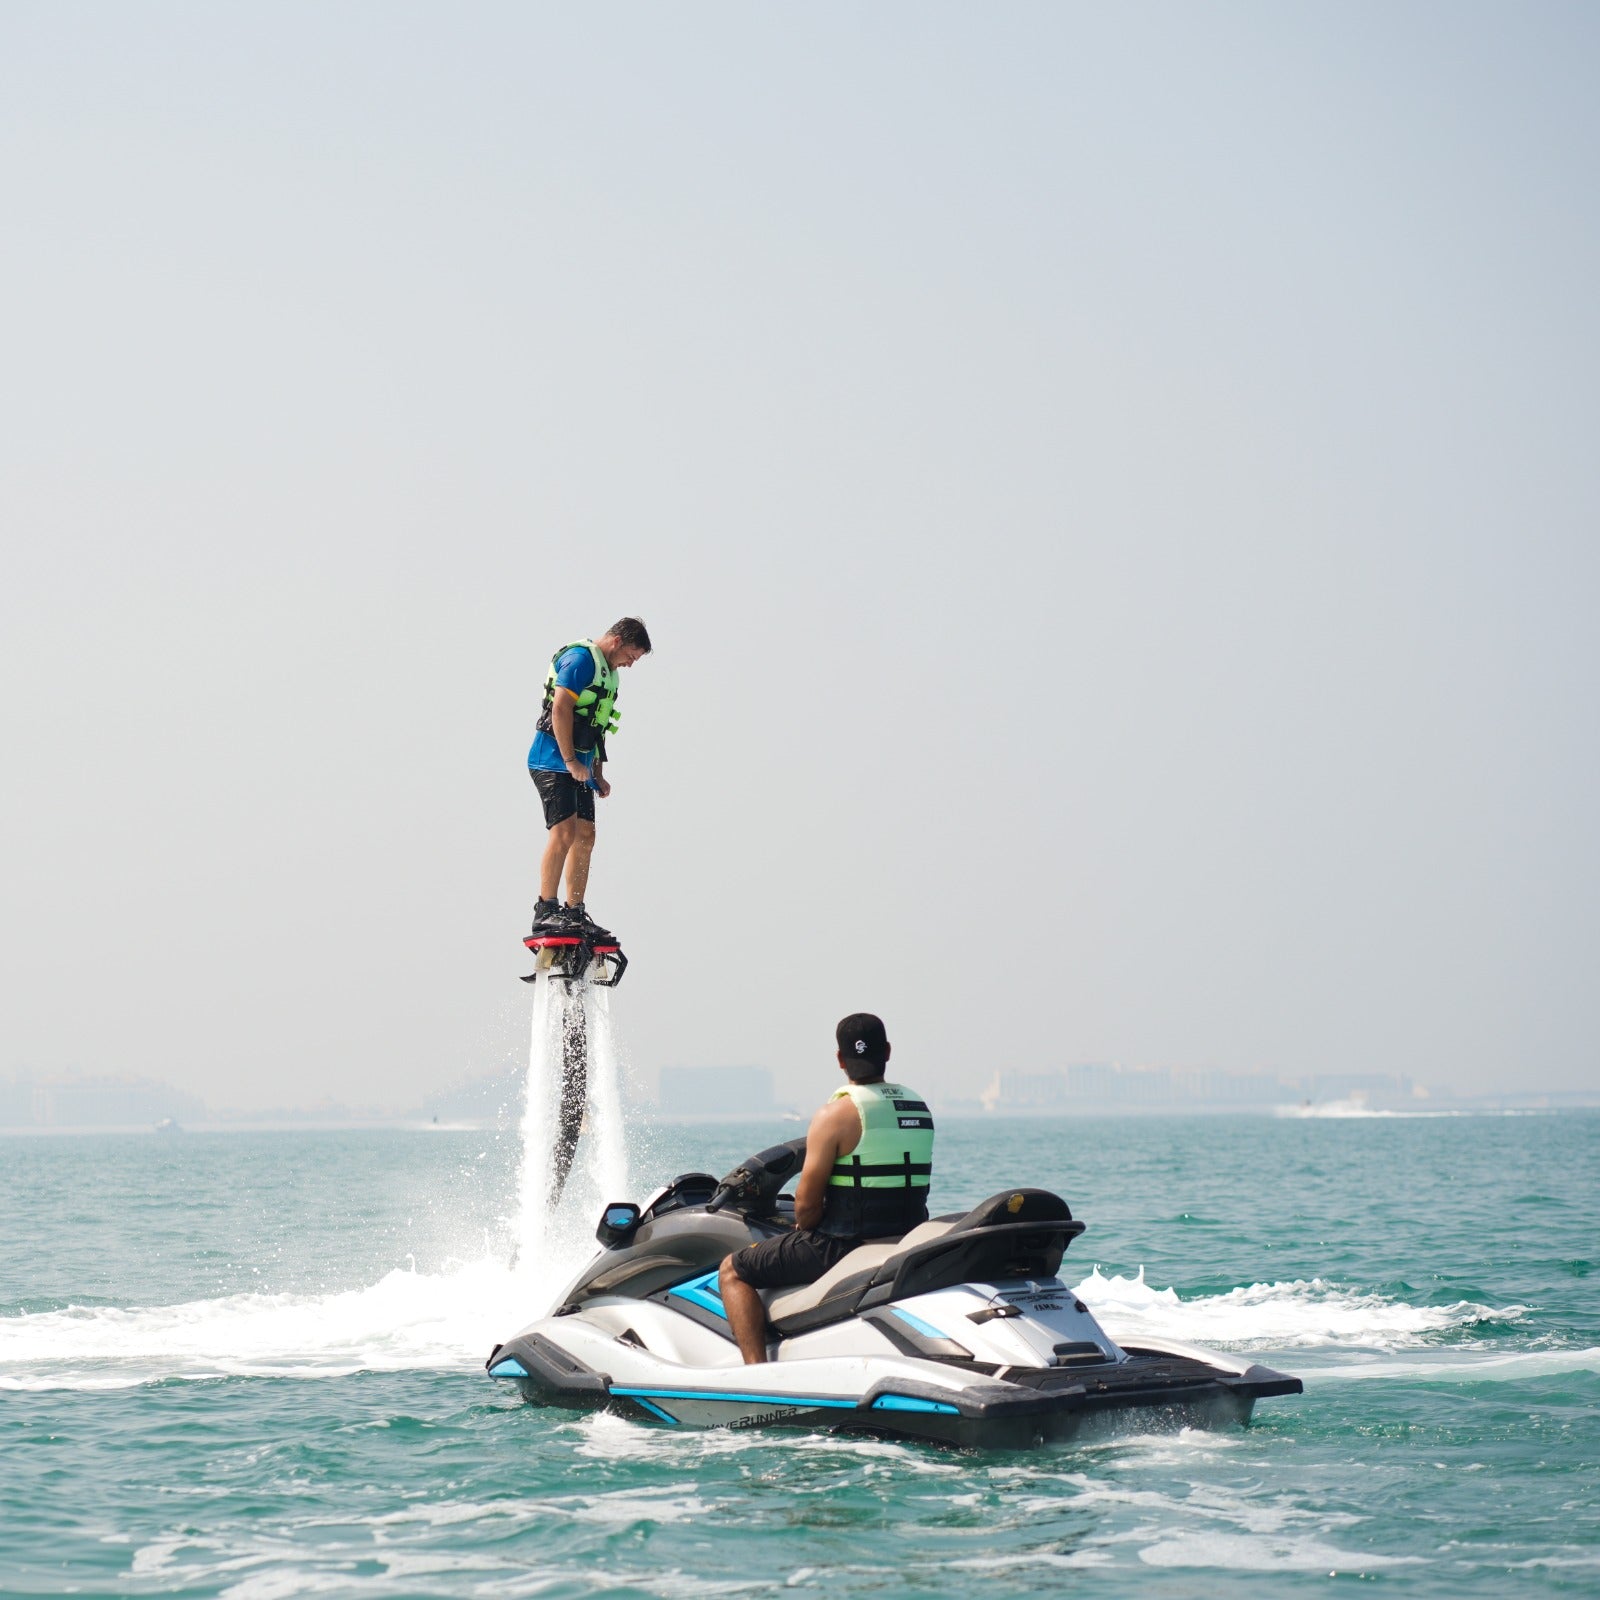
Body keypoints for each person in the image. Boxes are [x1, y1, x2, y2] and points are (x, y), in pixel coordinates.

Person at [718, 1013, 935, 1364]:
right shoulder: (919, 1109)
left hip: (843, 1245)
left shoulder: (834, 1115)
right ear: (888, 1052)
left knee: (732, 1269)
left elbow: (805, 1205)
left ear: (839, 1059)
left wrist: (803, 1228)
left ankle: (755, 1374)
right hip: (906, 1238)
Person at [528, 618, 652, 936]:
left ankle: (574, 912)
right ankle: (546, 910)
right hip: (552, 761)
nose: (630, 664)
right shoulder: (582, 660)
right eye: (632, 656)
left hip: (580, 765)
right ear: (617, 641)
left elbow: (597, 725)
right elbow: (560, 709)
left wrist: (597, 771)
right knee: (564, 833)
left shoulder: (609, 674)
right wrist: (570, 761)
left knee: (586, 835)